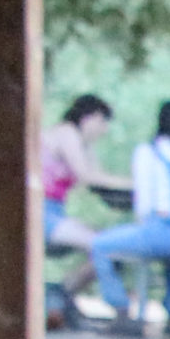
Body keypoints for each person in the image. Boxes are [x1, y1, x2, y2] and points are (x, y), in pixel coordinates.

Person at [91, 100, 170, 332]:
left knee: (100, 245)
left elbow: (144, 204)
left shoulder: (150, 152)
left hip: (167, 231)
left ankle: (121, 309)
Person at [41, 94, 122, 307]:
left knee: (112, 243)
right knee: (103, 245)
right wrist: (132, 184)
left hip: (55, 211)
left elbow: (99, 177)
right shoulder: (66, 132)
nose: (104, 130)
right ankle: (58, 296)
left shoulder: (83, 144)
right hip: (40, 212)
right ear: (89, 117)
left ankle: (60, 293)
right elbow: (87, 176)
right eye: (102, 122)